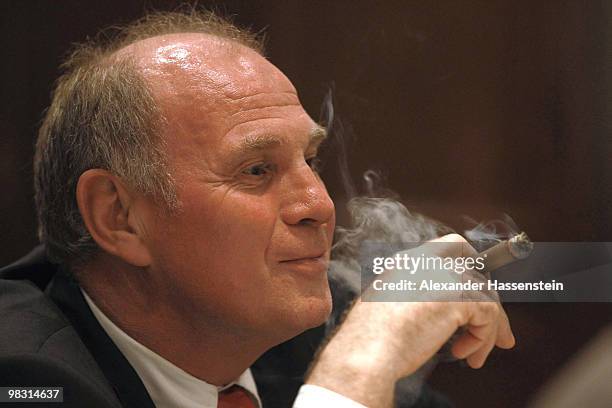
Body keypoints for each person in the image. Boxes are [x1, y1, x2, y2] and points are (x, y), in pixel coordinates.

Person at [0, 10, 514, 408]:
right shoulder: (22, 375)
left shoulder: (301, 334)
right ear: (120, 217)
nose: (320, 205)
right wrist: (359, 368)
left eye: (310, 160)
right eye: (255, 170)